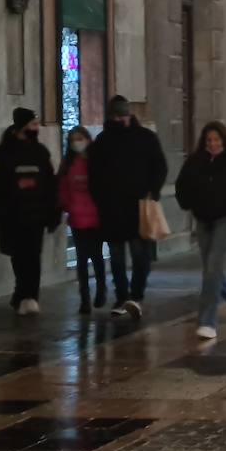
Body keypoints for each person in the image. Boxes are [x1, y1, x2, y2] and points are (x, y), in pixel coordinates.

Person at [89, 95, 167, 320]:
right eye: (116, 115)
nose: (120, 120)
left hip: (138, 206)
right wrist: (100, 199)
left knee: (139, 253)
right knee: (116, 256)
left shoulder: (145, 138)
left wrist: (152, 192)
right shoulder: (103, 142)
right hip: (112, 207)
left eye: (122, 115)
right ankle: (122, 295)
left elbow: (159, 167)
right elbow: (94, 176)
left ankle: (136, 294)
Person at [176, 121, 226, 340]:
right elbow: (182, 185)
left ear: (224, 140)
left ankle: (207, 321)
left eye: (217, 140)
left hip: (225, 220)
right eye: (209, 140)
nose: (213, 144)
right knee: (212, 269)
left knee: (212, 267)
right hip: (202, 220)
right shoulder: (195, 161)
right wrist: (188, 203)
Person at [0, 108, 58, 315]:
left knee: (33, 256)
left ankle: (30, 296)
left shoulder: (40, 152)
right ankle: (22, 293)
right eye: (34, 125)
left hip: (36, 216)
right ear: (23, 127)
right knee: (19, 256)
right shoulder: (3, 153)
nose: (37, 128)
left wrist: (52, 211)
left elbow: (50, 183)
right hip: (13, 216)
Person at [58, 126, 106, 314]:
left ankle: (101, 289)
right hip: (77, 216)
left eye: (80, 138)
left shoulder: (96, 161)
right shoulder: (68, 163)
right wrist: (67, 206)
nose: (76, 143)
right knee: (81, 259)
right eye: (72, 140)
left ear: (87, 139)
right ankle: (84, 298)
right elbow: (62, 186)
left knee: (96, 256)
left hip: (95, 216)